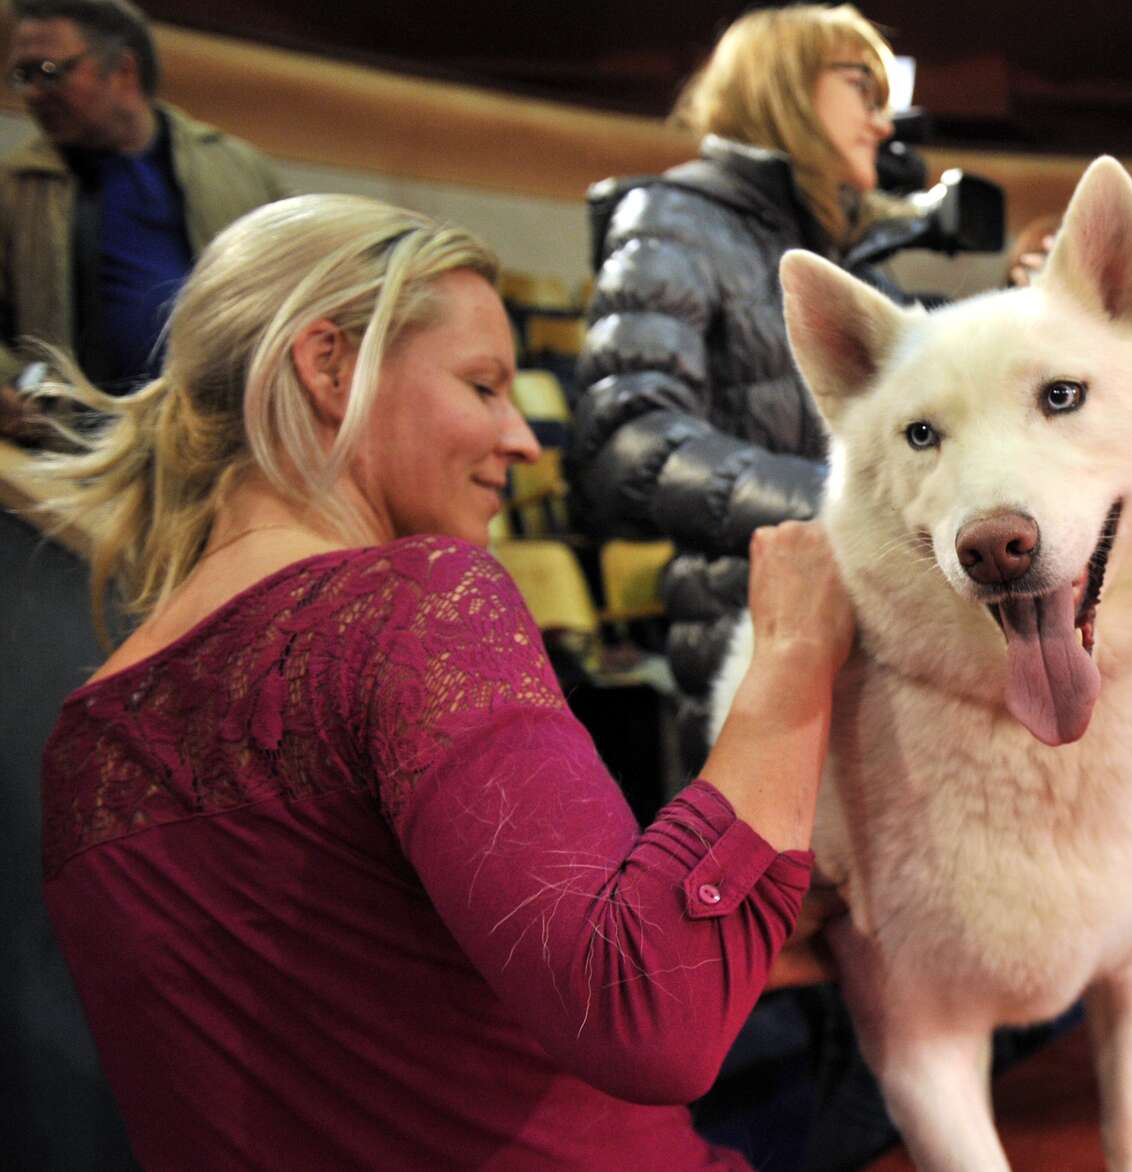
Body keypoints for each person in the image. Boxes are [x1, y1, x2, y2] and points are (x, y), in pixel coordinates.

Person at [32, 194, 851, 1169]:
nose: (522, 438)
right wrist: (795, 653)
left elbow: (377, 1011)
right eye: (481, 384)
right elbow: (648, 1014)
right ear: (328, 363)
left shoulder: (82, 739)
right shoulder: (408, 600)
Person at [571, 3, 911, 760]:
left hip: (875, 656)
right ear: (784, 83)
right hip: (747, 654)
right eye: (864, 87)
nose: (883, 124)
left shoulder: (854, 256)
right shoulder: (673, 215)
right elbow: (626, 441)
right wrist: (844, 503)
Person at [0, 0, 284, 442]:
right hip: (82, 456)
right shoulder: (16, 186)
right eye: (23, 76)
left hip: (218, 447)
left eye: (50, 71)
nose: (33, 92)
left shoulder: (239, 168)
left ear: (124, 70)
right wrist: (12, 385)